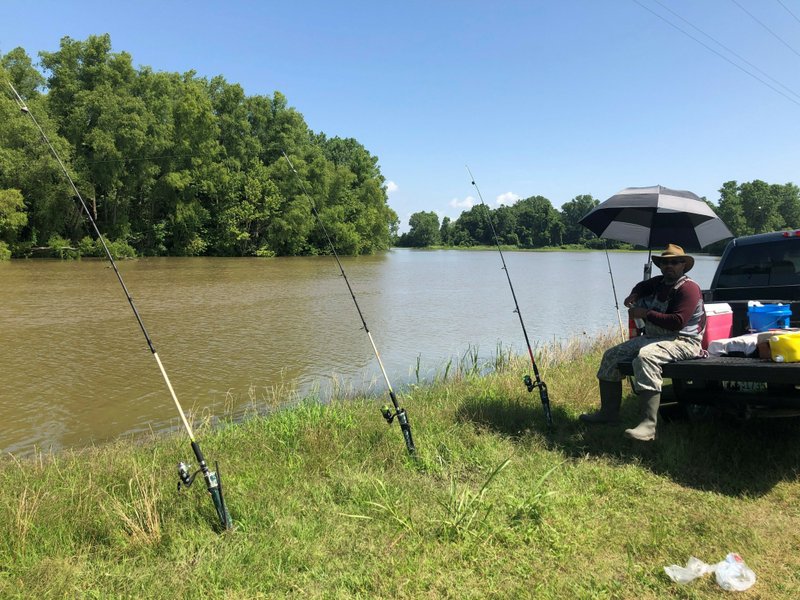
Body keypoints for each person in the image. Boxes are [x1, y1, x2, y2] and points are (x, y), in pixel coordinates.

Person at [579, 243, 706, 441]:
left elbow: (677, 322)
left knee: (646, 357)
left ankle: (648, 425)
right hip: (654, 338)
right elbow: (642, 286)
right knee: (611, 356)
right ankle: (608, 414)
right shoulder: (659, 283)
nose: (668, 266)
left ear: (683, 265)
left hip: (683, 341)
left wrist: (645, 313)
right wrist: (634, 295)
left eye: (674, 262)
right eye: (664, 263)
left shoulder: (689, 289)